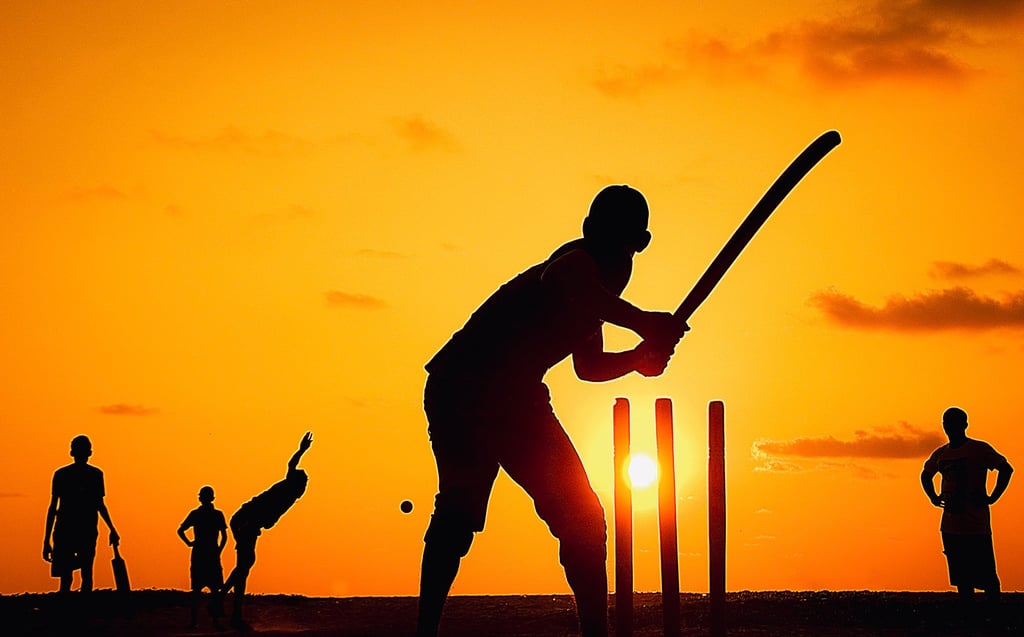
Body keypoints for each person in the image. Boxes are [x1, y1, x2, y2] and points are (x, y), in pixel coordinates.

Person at [416, 185, 685, 637]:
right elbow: (566, 283)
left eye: (622, 245)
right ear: (586, 233)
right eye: (602, 238)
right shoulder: (576, 267)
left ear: (639, 246)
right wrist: (643, 321)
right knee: (459, 513)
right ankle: (425, 632)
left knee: (582, 520)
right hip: (465, 387)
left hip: (517, 399)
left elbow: (590, 366)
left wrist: (637, 358)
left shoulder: (595, 298)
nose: (614, 256)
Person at [220, 432, 313, 631]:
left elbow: (269, 521)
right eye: (304, 484)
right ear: (299, 483)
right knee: (244, 565)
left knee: (245, 565)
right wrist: (302, 450)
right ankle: (229, 610)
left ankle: (223, 601)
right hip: (245, 520)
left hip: (248, 523)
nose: (305, 488)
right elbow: (291, 465)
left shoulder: (290, 497)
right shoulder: (288, 488)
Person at [921, 407, 1013, 606]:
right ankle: (968, 610)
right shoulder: (941, 454)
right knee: (961, 576)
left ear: (964, 425)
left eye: (954, 422)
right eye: (946, 422)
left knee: (987, 573)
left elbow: (1006, 469)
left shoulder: (979, 449)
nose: (949, 426)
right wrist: (933, 497)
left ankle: (994, 611)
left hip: (976, 525)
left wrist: (993, 497)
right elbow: (926, 474)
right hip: (951, 525)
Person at [42, 435, 120, 593]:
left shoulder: (63, 474)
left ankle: (70, 608)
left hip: (71, 528)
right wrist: (112, 528)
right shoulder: (94, 474)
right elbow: (100, 504)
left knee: (70, 575)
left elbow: (52, 508)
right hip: (81, 528)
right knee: (85, 571)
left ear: (72, 452)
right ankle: (82, 608)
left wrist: (112, 528)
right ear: (90, 452)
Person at [178, 485, 228, 630]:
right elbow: (224, 537)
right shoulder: (216, 514)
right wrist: (219, 550)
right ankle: (212, 621)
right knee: (212, 590)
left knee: (199, 591)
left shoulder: (197, 514)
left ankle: (197, 621)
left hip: (202, 553)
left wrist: (189, 543)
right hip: (209, 553)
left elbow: (180, 530)